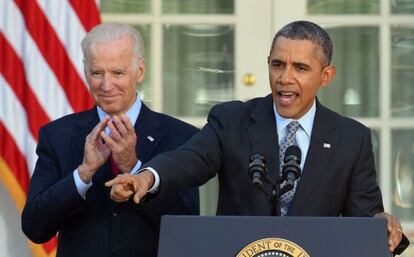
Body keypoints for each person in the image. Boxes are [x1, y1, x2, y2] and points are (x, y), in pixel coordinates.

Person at [106, 21, 409, 254]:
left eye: (300, 68)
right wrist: (147, 177)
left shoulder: (350, 138)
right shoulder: (232, 120)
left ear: (326, 76)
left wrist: (382, 224)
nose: (284, 78)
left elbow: (365, 218)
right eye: (278, 64)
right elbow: (189, 159)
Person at [21, 23, 199, 257]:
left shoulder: (181, 136)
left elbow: (187, 231)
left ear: (140, 71)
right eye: (97, 73)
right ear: (86, 73)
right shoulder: (57, 135)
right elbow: (35, 227)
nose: (106, 85)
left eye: (117, 73)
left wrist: (134, 168)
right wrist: (83, 174)